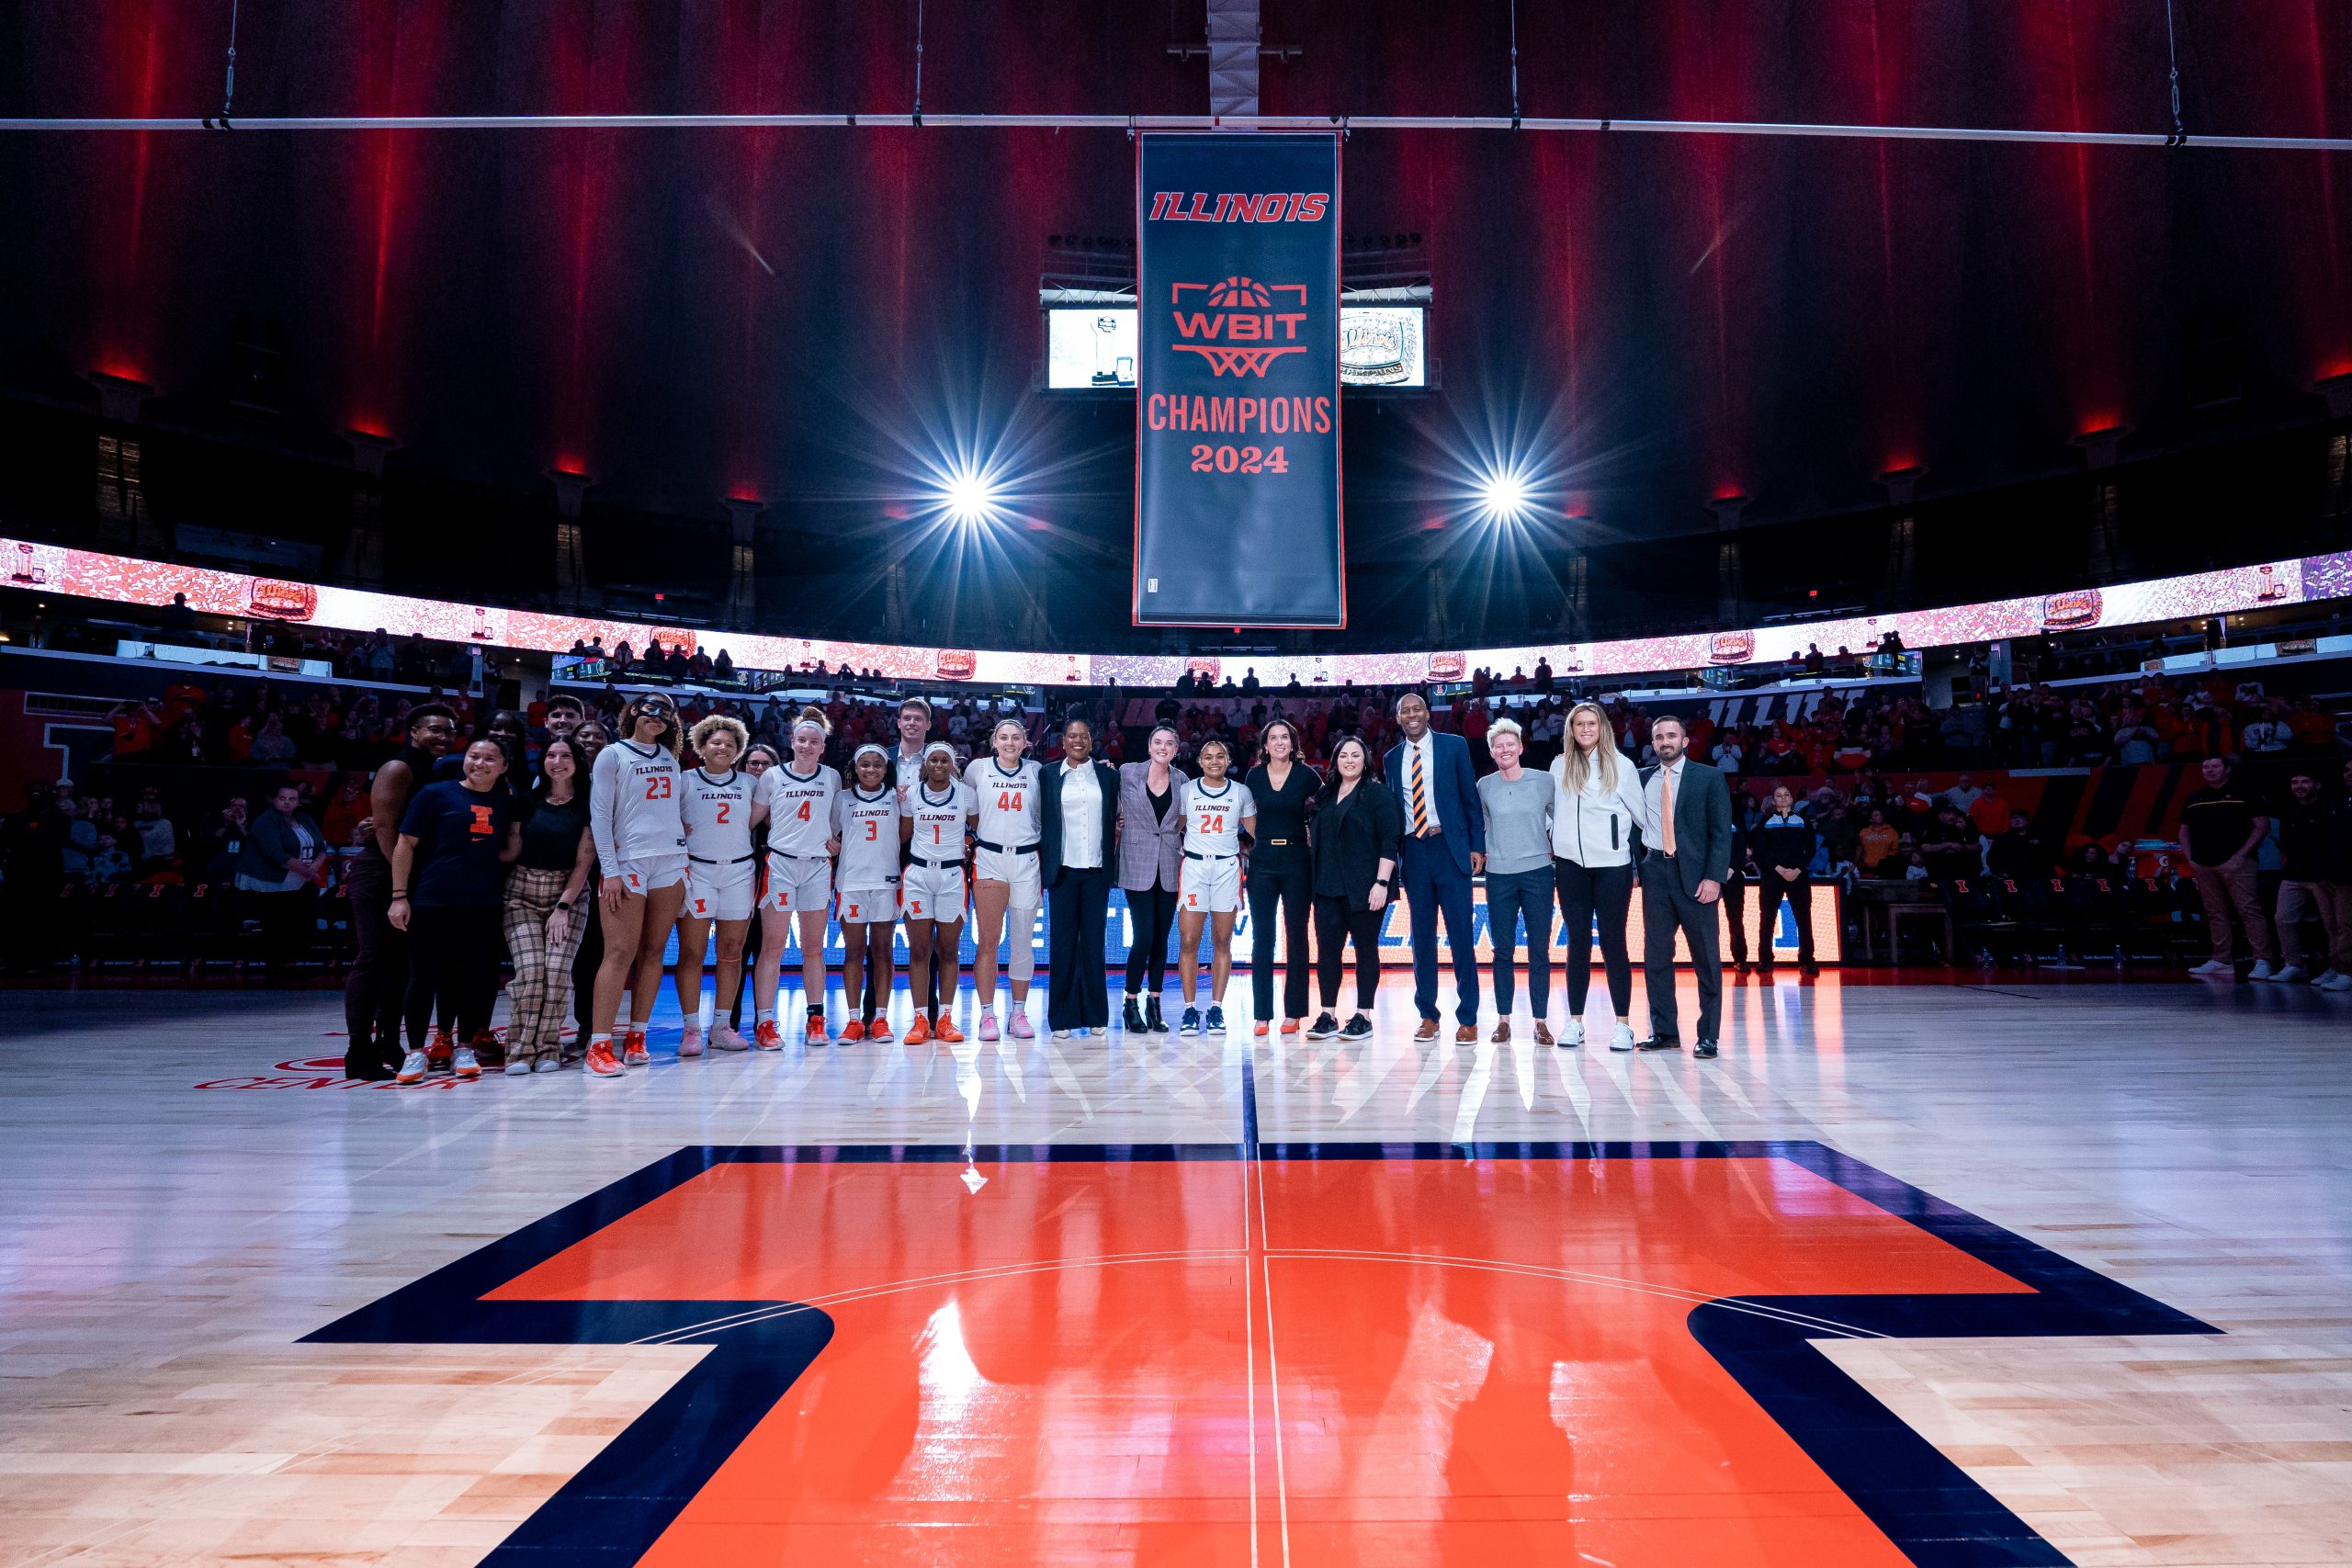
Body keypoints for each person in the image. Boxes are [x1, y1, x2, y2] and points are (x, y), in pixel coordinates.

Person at [388, 739, 520, 1084]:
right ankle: (416, 1053)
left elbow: (504, 854)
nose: (479, 763)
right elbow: (405, 844)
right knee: (423, 977)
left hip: (481, 904)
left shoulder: (507, 802)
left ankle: (463, 1047)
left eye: (489, 758)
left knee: (471, 979)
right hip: (432, 900)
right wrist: (399, 896)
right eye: (473, 756)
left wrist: (517, 834)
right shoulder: (434, 794)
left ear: (504, 766)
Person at [344, 703, 457, 1079]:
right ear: (413, 732)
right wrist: (400, 887)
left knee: (399, 966)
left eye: (448, 731)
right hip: (381, 873)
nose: (443, 737)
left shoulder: (432, 769)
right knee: (373, 960)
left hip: (406, 876)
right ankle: (358, 1049)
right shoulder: (398, 767)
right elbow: (385, 831)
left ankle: (388, 1042)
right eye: (435, 730)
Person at [585, 694, 688, 1077]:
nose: (658, 716)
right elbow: (599, 815)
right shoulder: (613, 754)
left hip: (670, 862)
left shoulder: (669, 758)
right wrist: (609, 870)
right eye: (651, 708)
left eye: (666, 711)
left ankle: (637, 1036)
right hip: (627, 862)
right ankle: (598, 1044)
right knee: (619, 951)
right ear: (633, 713)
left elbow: (669, 810)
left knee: (654, 951)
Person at [1546, 700, 1651, 1050]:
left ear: (1603, 726)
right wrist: (1552, 836)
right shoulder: (1559, 765)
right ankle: (1575, 1022)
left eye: (1592, 723)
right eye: (1579, 724)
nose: (1586, 729)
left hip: (1612, 867)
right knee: (1577, 943)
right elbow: (1550, 810)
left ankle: (1623, 1024)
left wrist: (1665, 852)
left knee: (1613, 942)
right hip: (1570, 867)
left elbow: (1642, 815)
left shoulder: (1621, 765)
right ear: (1571, 730)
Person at [1385, 691, 1485, 1044]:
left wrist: (1477, 846)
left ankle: (1469, 1017)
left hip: (1450, 848)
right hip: (1414, 851)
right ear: (1398, 719)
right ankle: (1428, 1015)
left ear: (1428, 714)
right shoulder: (1390, 758)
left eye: (1417, 709)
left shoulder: (1454, 746)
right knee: (1422, 941)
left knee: (1461, 938)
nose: (1411, 715)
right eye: (1404, 711)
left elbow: (1470, 799)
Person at [1636, 714, 1734, 1058]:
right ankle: (1665, 1031)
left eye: (1672, 735)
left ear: (1685, 741)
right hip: (1655, 874)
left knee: (1706, 958)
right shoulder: (1641, 778)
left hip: (1696, 878)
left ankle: (1708, 1036)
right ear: (1652, 743)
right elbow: (1633, 828)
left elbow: (1722, 833)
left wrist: (1715, 876)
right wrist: (1637, 867)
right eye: (1659, 736)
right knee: (1656, 957)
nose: (1665, 741)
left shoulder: (1709, 777)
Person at [502, 736, 595, 1073]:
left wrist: (563, 908)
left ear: (577, 762)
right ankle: (520, 1051)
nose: (558, 761)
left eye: (566, 755)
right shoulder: (525, 803)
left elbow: (584, 862)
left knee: (556, 973)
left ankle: (548, 1048)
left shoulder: (588, 805)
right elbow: (511, 851)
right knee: (530, 972)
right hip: (521, 894)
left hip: (568, 894)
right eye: (551, 755)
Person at [754, 708, 842, 1044]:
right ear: (792, 742)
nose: (807, 746)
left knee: (813, 948)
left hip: (818, 867)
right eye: (802, 740)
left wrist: (839, 842)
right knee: (772, 948)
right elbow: (753, 818)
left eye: (814, 742)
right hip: (780, 865)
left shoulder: (832, 777)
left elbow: (839, 819)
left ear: (823, 747)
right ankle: (765, 1023)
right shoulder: (772, 777)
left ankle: (815, 1020)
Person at [1306, 736, 1403, 1041]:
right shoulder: (1325, 795)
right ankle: (1328, 1015)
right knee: (1327, 954)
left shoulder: (1377, 794)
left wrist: (1382, 883)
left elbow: (1390, 840)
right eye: (1344, 755)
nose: (1349, 760)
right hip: (1327, 887)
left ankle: (1363, 1016)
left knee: (1365, 952)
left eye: (1356, 755)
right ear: (1335, 760)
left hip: (1366, 888)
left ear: (1365, 760)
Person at [675, 715, 761, 1056]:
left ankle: (722, 1026)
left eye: (729, 743)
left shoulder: (750, 784)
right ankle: (691, 1028)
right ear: (701, 746)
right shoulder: (684, 781)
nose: (722, 747)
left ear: (738, 750)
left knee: (731, 952)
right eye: (715, 742)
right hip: (698, 871)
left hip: (739, 871)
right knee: (692, 953)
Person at [1041, 716, 1121, 1039]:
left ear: (1091, 741)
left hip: (1096, 872)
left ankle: (1096, 1015)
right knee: (1061, 946)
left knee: (1093, 944)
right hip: (1062, 871)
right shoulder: (1048, 775)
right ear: (1063, 742)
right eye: (1072, 736)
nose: (1078, 741)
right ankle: (1061, 1018)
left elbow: (1117, 816)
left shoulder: (1107, 775)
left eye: (1084, 736)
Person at [1476, 718, 1555, 1043]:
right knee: (1503, 950)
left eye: (1511, 744)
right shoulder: (1484, 785)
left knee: (1539, 949)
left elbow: (1561, 820)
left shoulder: (1545, 781)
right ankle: (1504, 1020)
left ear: (1521, 747)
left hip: (1538, 873)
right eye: (1499, 746)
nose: (1505, 750)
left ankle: (1540, 1022)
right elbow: (1482, 826)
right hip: (1499, 876)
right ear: (1492, 752)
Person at [965, 717, 1043, 1041]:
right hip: (989, 859)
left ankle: (1019, 1012)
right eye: (1004, 737)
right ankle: (987, 1015)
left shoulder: (1037, 772)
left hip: (1026, 859)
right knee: (988, 941)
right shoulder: (977, 770)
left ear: (1025, 743)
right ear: (993, 741)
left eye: (1016, 737)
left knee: (1023, 940)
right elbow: (965, 811)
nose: (1010, 743)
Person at [1172, 739, 1256, 1035]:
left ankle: (1217, 1008)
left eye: (1220, 756)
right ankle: (1190, 1010)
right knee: (1189, 941)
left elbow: (1256, 831)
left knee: (1222, 941)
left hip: (1227, 868)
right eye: (1208, 757)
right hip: (1194, 866)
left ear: (1228, 759)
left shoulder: (1240, 792)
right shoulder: (1187, 790)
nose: (1214, 761)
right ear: (1200, 762)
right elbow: (1175, 826)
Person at [1241, 718, 1317, 1036]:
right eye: (1273, 738)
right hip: (1262, 861)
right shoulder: (1254, 776)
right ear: (1265, 744)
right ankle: (1262, 1014)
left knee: (1297, 935)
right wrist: (1263, 838)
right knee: (1263, 937)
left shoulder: (1306, 775)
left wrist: (1311, 835)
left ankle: (1295, 1012)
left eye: (1285, 737)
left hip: (1297, 859)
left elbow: (1328, 806)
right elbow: (1245, 815)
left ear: (1293, 742)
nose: (1279, 742)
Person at [1117, 726, 1189, 1033]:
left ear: (1176, 749)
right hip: (1136, 864)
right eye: (1157, 742)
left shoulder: (1182, 781)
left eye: (1169, 743)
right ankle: (1130, 1001)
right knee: (1144, 936)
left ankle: (1155, 1004)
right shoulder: (1126, 772)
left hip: (1169, 865)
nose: (1163, 747)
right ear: (1149, 746)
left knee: (1162, 939)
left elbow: (1182, 822)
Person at [900, 742, 972, 1044]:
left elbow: (982, 828)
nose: (939, 765)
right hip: (917, 874)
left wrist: (968, 845)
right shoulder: (911, 795)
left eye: (945, 760)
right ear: (925, 764)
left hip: (953, 875)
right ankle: (919, 1020)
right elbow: (902, 835)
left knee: (949, 950)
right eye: (934, 760)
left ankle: (944, 1019)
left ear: (952, 764)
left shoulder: (967, 794)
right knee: (918, 951)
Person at [834, 743, 906, 1041]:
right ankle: (853, 1020)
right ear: (855, 766)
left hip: (885, 882)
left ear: (885, 768)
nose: (871, 769)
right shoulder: (841, 799)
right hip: (850, 883)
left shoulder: (896, 797)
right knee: (853, 952)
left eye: (877, 764)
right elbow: (827, 834)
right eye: (865, 764)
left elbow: (907, 833)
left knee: (883, 952)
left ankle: (880, 1019)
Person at [2179, 755, 2274, 979]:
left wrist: (2240, 856)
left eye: (2215, 766)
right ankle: (2221, 960)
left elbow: (2262, 826)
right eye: (2205, 766)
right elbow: (2183, 831)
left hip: (2238, 864)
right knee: (2214, 913)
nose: (2210, 770)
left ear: (2228, 769)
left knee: (2249, 911)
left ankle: (2263, 960)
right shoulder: (2194, 798)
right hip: (2203, 864)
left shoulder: (2245, 793)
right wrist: (2191, 858)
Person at [234, 782, 326, 978]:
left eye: (292, 799)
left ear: (298, 802)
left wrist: (315, 866)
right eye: (282, 798)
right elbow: (275, 855)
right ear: (274, 800)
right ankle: (276, 967)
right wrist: (310, 873)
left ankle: (291, 963)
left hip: (299, 878)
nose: (287, 803)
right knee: (277, 924)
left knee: (299, 920)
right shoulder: (265, 821)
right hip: (270, 881)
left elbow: (322, 847)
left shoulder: (305, 818)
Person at [567, 719, 612, 1059]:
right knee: (569, 958)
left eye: (599, 737)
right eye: (585, 736)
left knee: (596, 951)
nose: (591, 741)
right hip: (564, 874)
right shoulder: (560, 776)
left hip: (607, 872)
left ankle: (591, 1027)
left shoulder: (617, 774)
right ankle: (542, 1032)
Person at [2268, 766, 2333, 985]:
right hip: (2294, 874)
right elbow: (2286, 844)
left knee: (2332, 923)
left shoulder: (2329, 810)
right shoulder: (2290, 814)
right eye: (2295, 782)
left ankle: (2338, 967)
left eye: (2305, 781)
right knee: (2283, 919)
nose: (2299, 786)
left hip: (2323, 876)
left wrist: (2326, 871)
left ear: (2317, 785)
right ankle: (2294, 964)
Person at [1750, 784, 1820, 976]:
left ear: (1791, 799)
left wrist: (1797, 869)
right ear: (1773, 801)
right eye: (1779, 796)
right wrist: (1779, 869)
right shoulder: (1765, 822)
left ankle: (1807, 960)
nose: (1783, 798)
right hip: (1773, 875)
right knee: (1767, 918)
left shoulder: (1803, 821)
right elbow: (1760, 851)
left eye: (1786, 795)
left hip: (1798, 875)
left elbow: (1811, 849)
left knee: (1804, 918)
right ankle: (1765, 960)